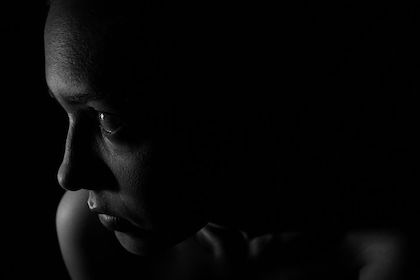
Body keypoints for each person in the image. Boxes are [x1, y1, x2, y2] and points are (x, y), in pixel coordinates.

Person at [45, 0, 410, 279]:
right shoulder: (88, 234)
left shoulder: (381, 252)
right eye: (67, 113)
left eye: (111, 121)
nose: (69, 174)